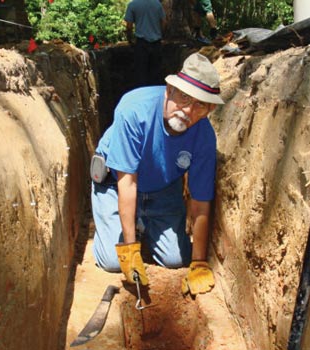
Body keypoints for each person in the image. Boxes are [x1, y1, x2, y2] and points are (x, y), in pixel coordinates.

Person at [90, 53, 225, 296]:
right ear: (169, 90)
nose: (188, 110)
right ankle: (133, 230)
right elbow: (127, 183)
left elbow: (201, 202)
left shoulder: (204, 136)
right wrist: (130, 249)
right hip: (115, 185)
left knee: (176, 259)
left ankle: (144, 225)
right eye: (184, 98)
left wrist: (199, 263)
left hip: (163, 189)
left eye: (200, 105)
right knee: (112, 262)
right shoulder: (134, 110)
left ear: (210, 109)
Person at [124, 0, 166, 88]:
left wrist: (130, 40)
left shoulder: (133, 5)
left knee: (140, 73)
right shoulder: (157, 4)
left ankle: (141, 94)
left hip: (141, 43)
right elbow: (163, 22)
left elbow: (129, 26)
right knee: (155, 73)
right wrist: (159, 34)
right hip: (156, 43)